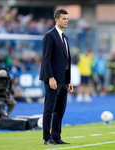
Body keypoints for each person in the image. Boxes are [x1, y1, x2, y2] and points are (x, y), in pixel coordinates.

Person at [39, 9, 73, 145]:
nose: (66, 21)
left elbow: (67, 60)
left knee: (60, 110)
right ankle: (47, 138)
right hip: (52, 79)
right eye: (63, 18)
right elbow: (46, 59)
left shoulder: (65, 37)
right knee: (49, 109)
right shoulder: (50, 36)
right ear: (57, 20)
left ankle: (56, 137)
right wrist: (51, 78)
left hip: (63, 80)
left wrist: (68, 80)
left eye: (67, 19)